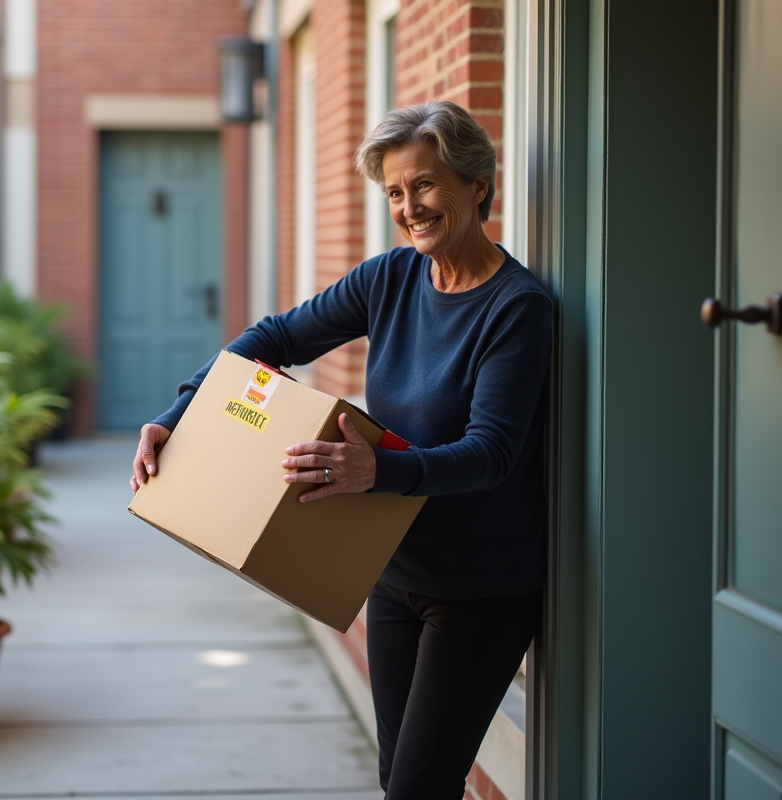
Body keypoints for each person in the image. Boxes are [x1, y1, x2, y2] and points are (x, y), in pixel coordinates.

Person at [129, 100, 550, 799]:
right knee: (398, 780)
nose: (409, 207)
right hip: (392, 572)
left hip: (480, 589)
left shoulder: (517, 307)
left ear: (478, 184)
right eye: (395, 192)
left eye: (425, 184)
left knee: (418, 787)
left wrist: (378, 469)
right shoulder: (390, 278)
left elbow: (492, 453)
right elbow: (273, 339)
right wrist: (181, 412)